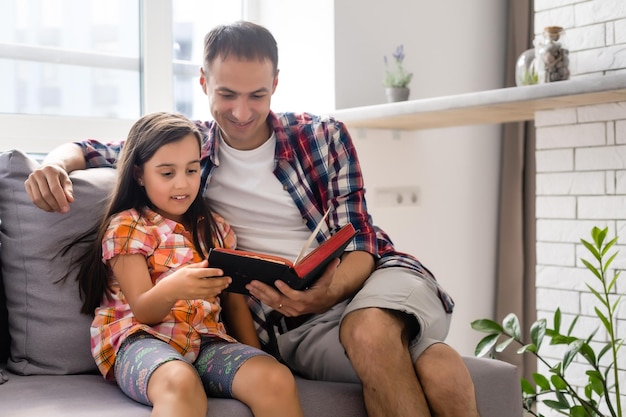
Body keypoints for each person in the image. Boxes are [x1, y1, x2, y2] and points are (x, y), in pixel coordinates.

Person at [25, 21, 481, 417]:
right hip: (296, 318)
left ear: (276, 85)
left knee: (371, 328)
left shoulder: (321, 136)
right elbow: (100, 150)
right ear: (203, 82)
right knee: (437, 366)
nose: (241, 113)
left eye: (256, 95)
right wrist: (54, 164)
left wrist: (326, 294)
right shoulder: (189, 151)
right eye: (226, 94)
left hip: (370, 277)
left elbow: (358, 237)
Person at [66, 112, 304, 417]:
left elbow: (234, 306)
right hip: (140, 340)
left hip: (207, 342)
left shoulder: (216, 230)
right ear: (139, 174)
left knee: (274, 377)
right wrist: (173, 288)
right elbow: (143, 309)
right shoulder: (128, 226)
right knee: (180, 381)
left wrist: (257, 356)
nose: (183, 184)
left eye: (192, 170)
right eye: (167, 173)